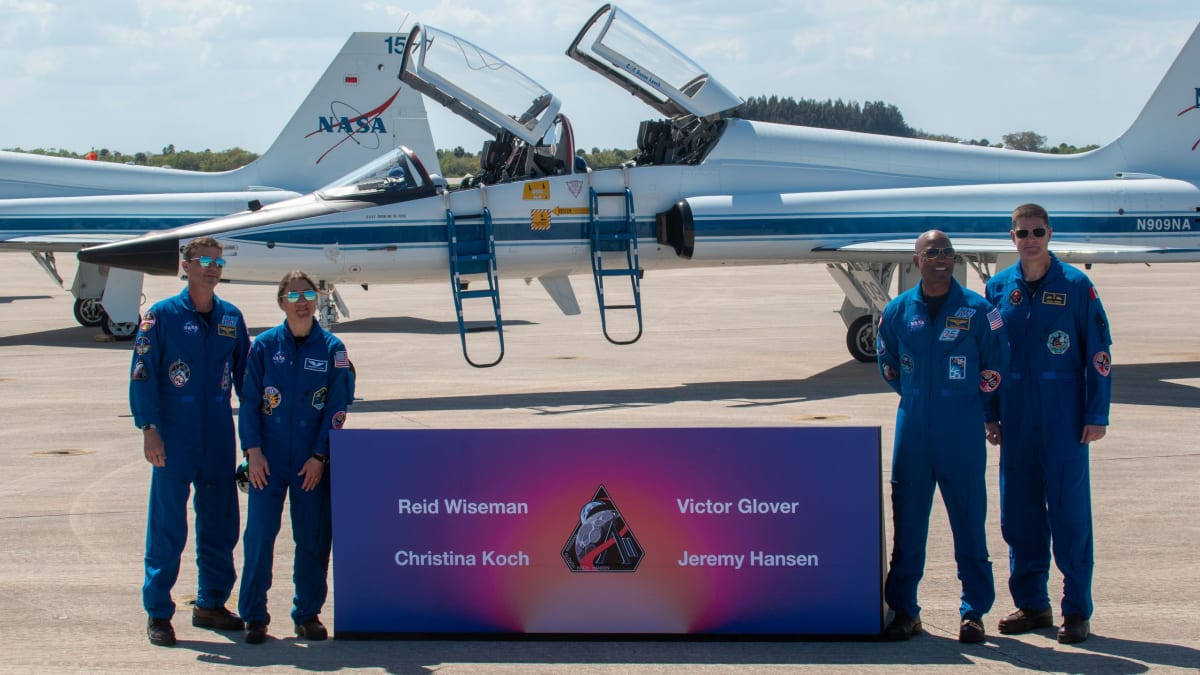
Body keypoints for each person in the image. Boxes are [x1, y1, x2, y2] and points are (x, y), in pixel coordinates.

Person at [985, 204, 1112, 644]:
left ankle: (1076, 610)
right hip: (1016, 414)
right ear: (1012, 238)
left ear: (1050, 234)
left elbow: (1098, 354)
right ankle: (1032, 604)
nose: (1030, 239)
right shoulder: (998, 288)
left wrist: (1096, 414)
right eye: (1022, 233)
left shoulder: (1077, 286)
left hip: (1064, 415)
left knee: (1069, 515)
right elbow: (990, 358)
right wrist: (990, 413)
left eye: (1038, 231)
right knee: (1018, 515)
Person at [876, 229, 1009, 643]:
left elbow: (995, 367)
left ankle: (974, 612)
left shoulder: (980, 311)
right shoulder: (898, 311)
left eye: (948, 252)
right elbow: (890, 367)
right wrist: (922, 399)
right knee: (909, 526)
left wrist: (964, 405)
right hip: (913, 433)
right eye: (932, 252)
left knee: (969, 524)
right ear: (916, 260)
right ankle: (905, 610)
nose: (941, 258)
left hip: (961, 435)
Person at [130, 236, 250, 646]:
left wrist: (254, 440)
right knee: (167, 527)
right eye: (203, 260)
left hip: (217, 432)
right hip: (173, 434)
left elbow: (247, 382)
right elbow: (143, 373)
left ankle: (211, 603)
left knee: (220, 523)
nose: (211, 267)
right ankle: (159, 612)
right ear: (185, 266)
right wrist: (149, 428)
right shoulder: (160, 316)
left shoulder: (231, 317)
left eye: (218, 261)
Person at [238, 271, 355, 644]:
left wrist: (321, 455)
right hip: (267, 463)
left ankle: (307, 614)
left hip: (310, 463)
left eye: (307, 294)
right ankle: (254, 616)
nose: (302, 302)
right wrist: (252, 453)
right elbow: (249, 402)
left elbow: (337, 407)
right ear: (281, 302)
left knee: (313, 540)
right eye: (293, 296)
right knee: (258, 538)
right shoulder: (264, 346)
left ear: (317, 300)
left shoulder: (334, 349)